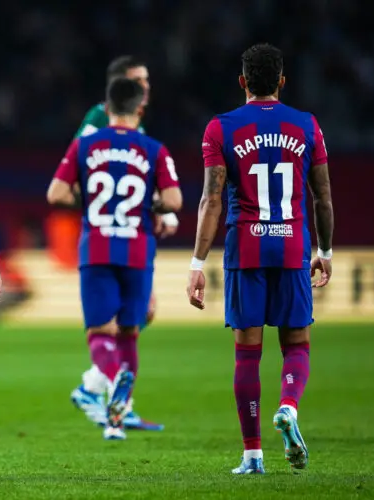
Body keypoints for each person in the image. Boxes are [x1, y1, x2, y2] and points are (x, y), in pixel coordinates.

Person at [187, 43, 333, 474]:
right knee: (297, 345)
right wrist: (323, 251)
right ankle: (288, 406)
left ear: (242, 82)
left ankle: (252, 455)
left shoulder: (221, 128)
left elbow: (211, 200)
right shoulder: (307, 125)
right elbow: (322, 196)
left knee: (247, 354)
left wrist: (197, 265)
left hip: (245, 248)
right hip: (291, 246)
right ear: (282, 82)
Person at [48, 77, 182, 440]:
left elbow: (56, 193)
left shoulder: (86, 146)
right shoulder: (154, 148)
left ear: (106, 109)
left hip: (98, 246)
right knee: (129, 333)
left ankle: (113, 383)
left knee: (98, 333)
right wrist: (147, 205)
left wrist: (90, 200)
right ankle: (118, 417)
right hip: (137, 248)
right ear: (141, 108)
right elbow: (173, 201)